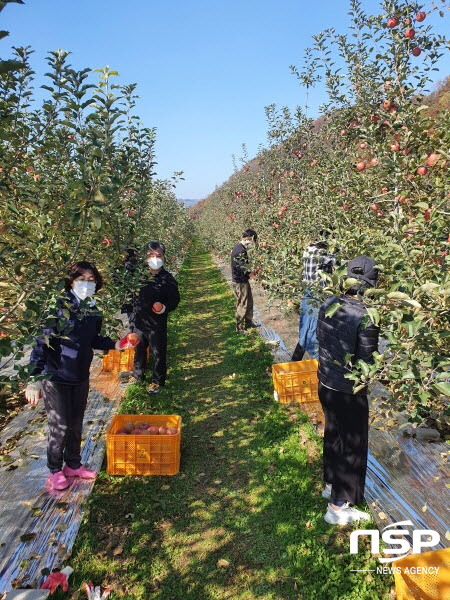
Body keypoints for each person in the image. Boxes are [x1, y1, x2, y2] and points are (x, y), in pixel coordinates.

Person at [25, 261, 138, 491]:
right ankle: (55, 469)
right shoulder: (58, 307)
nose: (87, 284)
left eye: (91, 280)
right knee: (61, 426)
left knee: (76, 424)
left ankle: (73, 465)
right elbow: (41, 344)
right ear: (71, 281)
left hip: (80, 374)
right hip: (56, 376)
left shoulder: (93, 309)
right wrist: (34, 379)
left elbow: (93, 339)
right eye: (82, 280)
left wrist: (117, 344)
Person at [316, 255, 379, 525]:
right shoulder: (366, 315)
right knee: (352, 444)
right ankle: (339, 506)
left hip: (326, 382)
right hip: (348, 389)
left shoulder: (329, 302)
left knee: (334, 434)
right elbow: (367, 360)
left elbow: (322, 338)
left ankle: (330, 484)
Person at [130, 241, 180, 394]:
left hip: (156, 323)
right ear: (145, 258)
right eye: (151, 255)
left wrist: (163, 307)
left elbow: (175, 300)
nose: (155, 258)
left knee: (158, 351)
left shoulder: (168, 279)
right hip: (139, 321)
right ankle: (138, 376)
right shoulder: (138, 276)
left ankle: (157, 381)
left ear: (164, 258)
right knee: (138, 348)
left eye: (158, 255)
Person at [292, 231, 336, 361]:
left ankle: (294, 361)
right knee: (313, 329)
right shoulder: (321, 253)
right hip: (318, 293)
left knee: (306, 327)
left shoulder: (308, 249)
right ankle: (320, 362)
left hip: (308, 292)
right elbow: (338, 261)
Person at [231, 229, 259, 334]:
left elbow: (244, 264)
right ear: (248, 238)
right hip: (240, 282)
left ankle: (249, 322)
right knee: (242, 303)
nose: (252, 242)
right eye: (252, 240)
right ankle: (239, 328)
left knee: (249, 301)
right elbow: (242, 267)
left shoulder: (240, 248)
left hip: (243, 280)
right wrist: (251, 274)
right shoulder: (240, 250)